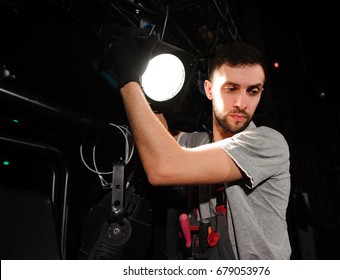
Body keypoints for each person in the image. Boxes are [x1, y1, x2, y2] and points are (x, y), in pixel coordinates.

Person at [113, 27, 291, 259]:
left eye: (253, 91)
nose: (241, 102)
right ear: (209, 90)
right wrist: (149, 89)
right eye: (231, 88)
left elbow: (163, 167)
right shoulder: (198, 142)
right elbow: (157, 140)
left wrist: (128, 81)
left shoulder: (267, 143)